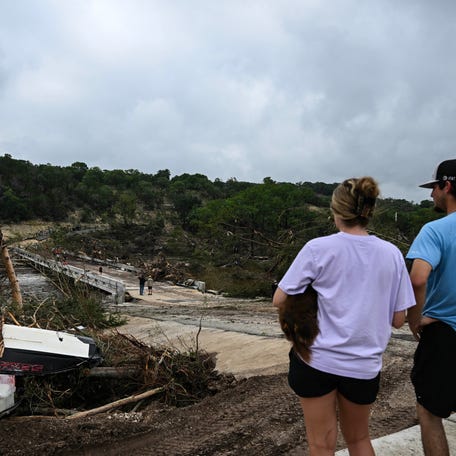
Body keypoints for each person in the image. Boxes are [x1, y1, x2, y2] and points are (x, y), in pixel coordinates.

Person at [273, 176, 415, 456]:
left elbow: (280, 299)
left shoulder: (318, 248)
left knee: (321, 445)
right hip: (363, 365)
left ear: (336, 212)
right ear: (369, 212)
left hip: (317, 360)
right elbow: (399, 319)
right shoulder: (392, 254)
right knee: (359, 440)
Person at [406, 159, 456, 456]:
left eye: (434, 188)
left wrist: (416, 320)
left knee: (429, 412)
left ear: (447, 186)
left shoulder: (435, 230)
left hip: (445, 335)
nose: (431, 195)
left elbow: (418, 278)